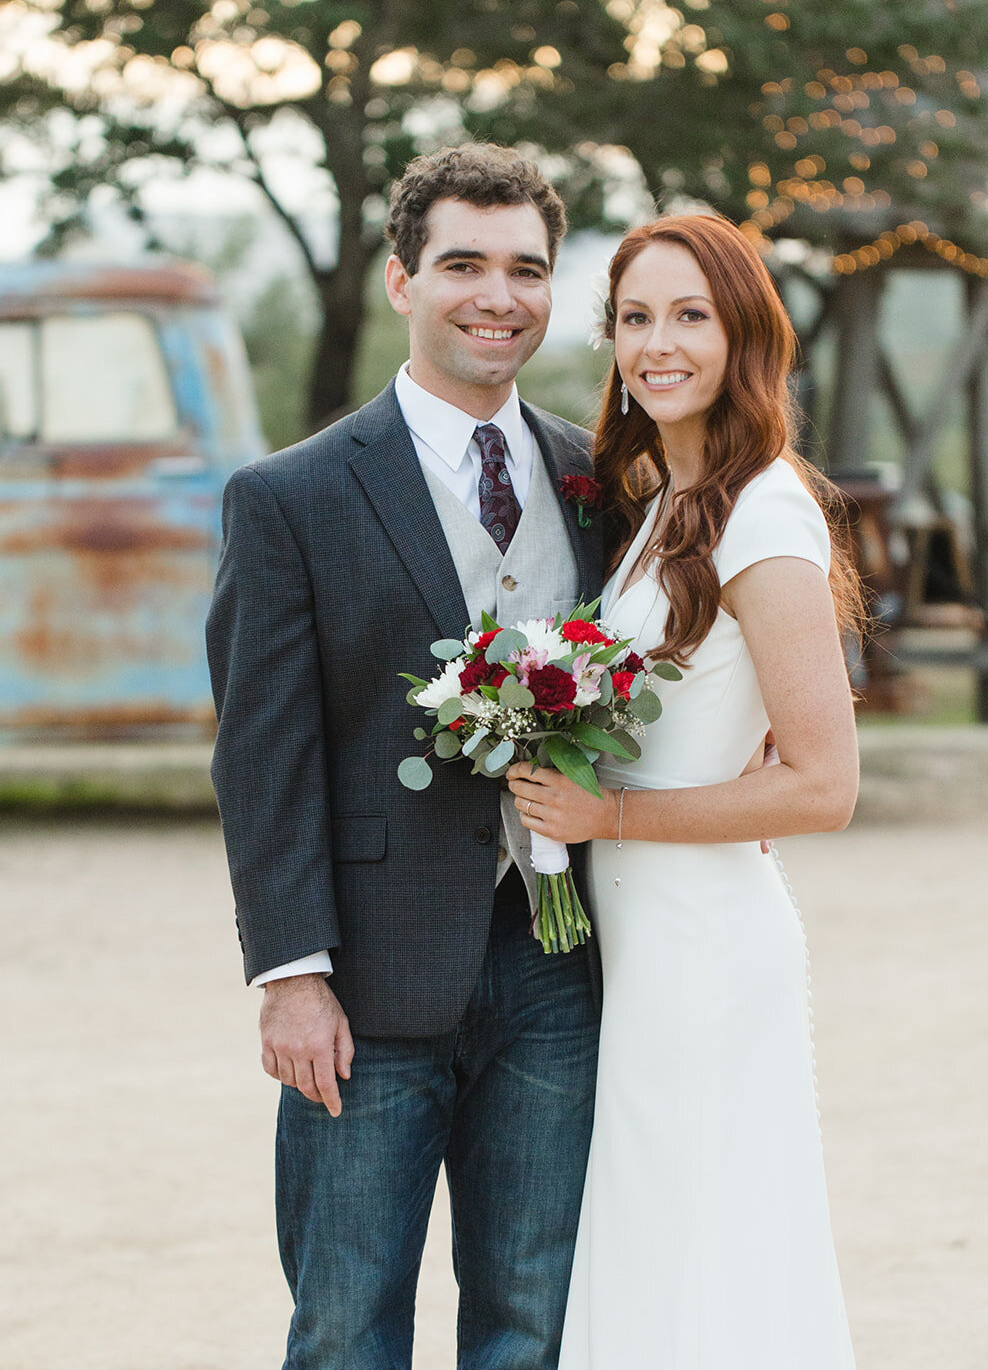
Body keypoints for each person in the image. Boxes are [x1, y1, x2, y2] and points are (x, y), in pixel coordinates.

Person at [206, 143, 603, 1370]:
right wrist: (290, 973)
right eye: (463, 265)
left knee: (531, 1319)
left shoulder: (597, 478)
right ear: (401, 280)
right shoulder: (291, 496)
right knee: (343, 1326)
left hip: (558, 965)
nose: (498, 296)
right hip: (365, 981)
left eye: (525, 269)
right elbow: (260, 757)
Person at [507, 212, 862, 1369]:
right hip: (643, 936)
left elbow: (820, 784)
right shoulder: (664, 500)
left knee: (706, 1245)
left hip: (705, 945)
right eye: (635, 318)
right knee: (658, 1239)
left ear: (741, 332)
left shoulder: (762, 510)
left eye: (688, 315)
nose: (656, 343)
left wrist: (607, 816)